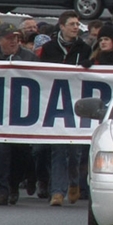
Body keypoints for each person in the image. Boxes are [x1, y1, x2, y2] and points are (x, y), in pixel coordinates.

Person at [0, 23, 39, 205]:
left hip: (21, 114)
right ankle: (1, 190)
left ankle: (14, 185)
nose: (14, 41)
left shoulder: (29, 57)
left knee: (21, 152)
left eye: (16, 37)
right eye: (9, 38)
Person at [40, 11, 91, 206]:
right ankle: (57, 192)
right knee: (58, 149)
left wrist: (89, 66)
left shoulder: (84, 48)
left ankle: (74, 183)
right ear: (61, 26)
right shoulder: (49, 48)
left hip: (76, 104)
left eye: (77, 24)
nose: (75, 27)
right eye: (71, 24)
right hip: (54, 105)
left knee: (75, 151)